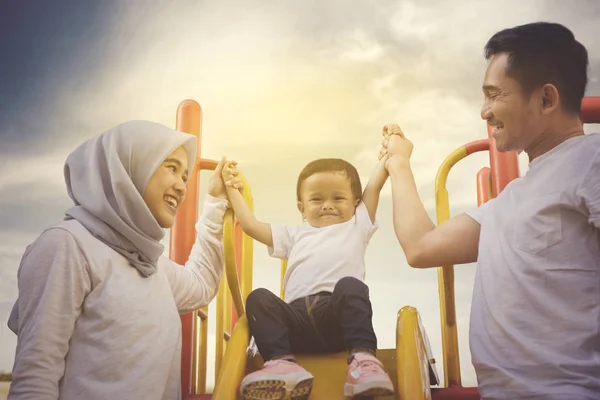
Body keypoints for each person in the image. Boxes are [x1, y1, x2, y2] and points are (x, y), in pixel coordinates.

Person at [380, 22, 599, 399]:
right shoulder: (508, 201)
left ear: (546, 99)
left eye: (494, 95)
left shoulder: (590, 161)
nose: (484, 111)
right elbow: (421, 246)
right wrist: (399, 164)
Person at [7, 120, 238, 400]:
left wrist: (215, 203)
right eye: (171, 168)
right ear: (130, 167)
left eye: (185, 176)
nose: (181, 186)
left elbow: (201, 284)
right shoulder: (67, 245)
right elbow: (36, 378)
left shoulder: (152, 265)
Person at [221, 155, 395, 398]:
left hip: (336, 317)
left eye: (338, 198)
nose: (327, 205)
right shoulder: (294, 235)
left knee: (351, 286)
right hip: (296, 321)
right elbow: (250, 225)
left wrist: (387, 155)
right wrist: (232, 188)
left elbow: (375, 185)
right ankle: (281, 364)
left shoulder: (357, 224)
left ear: (356, 202)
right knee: (258, 298)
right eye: (316, 199)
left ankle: (364, 362)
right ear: (301, 206)